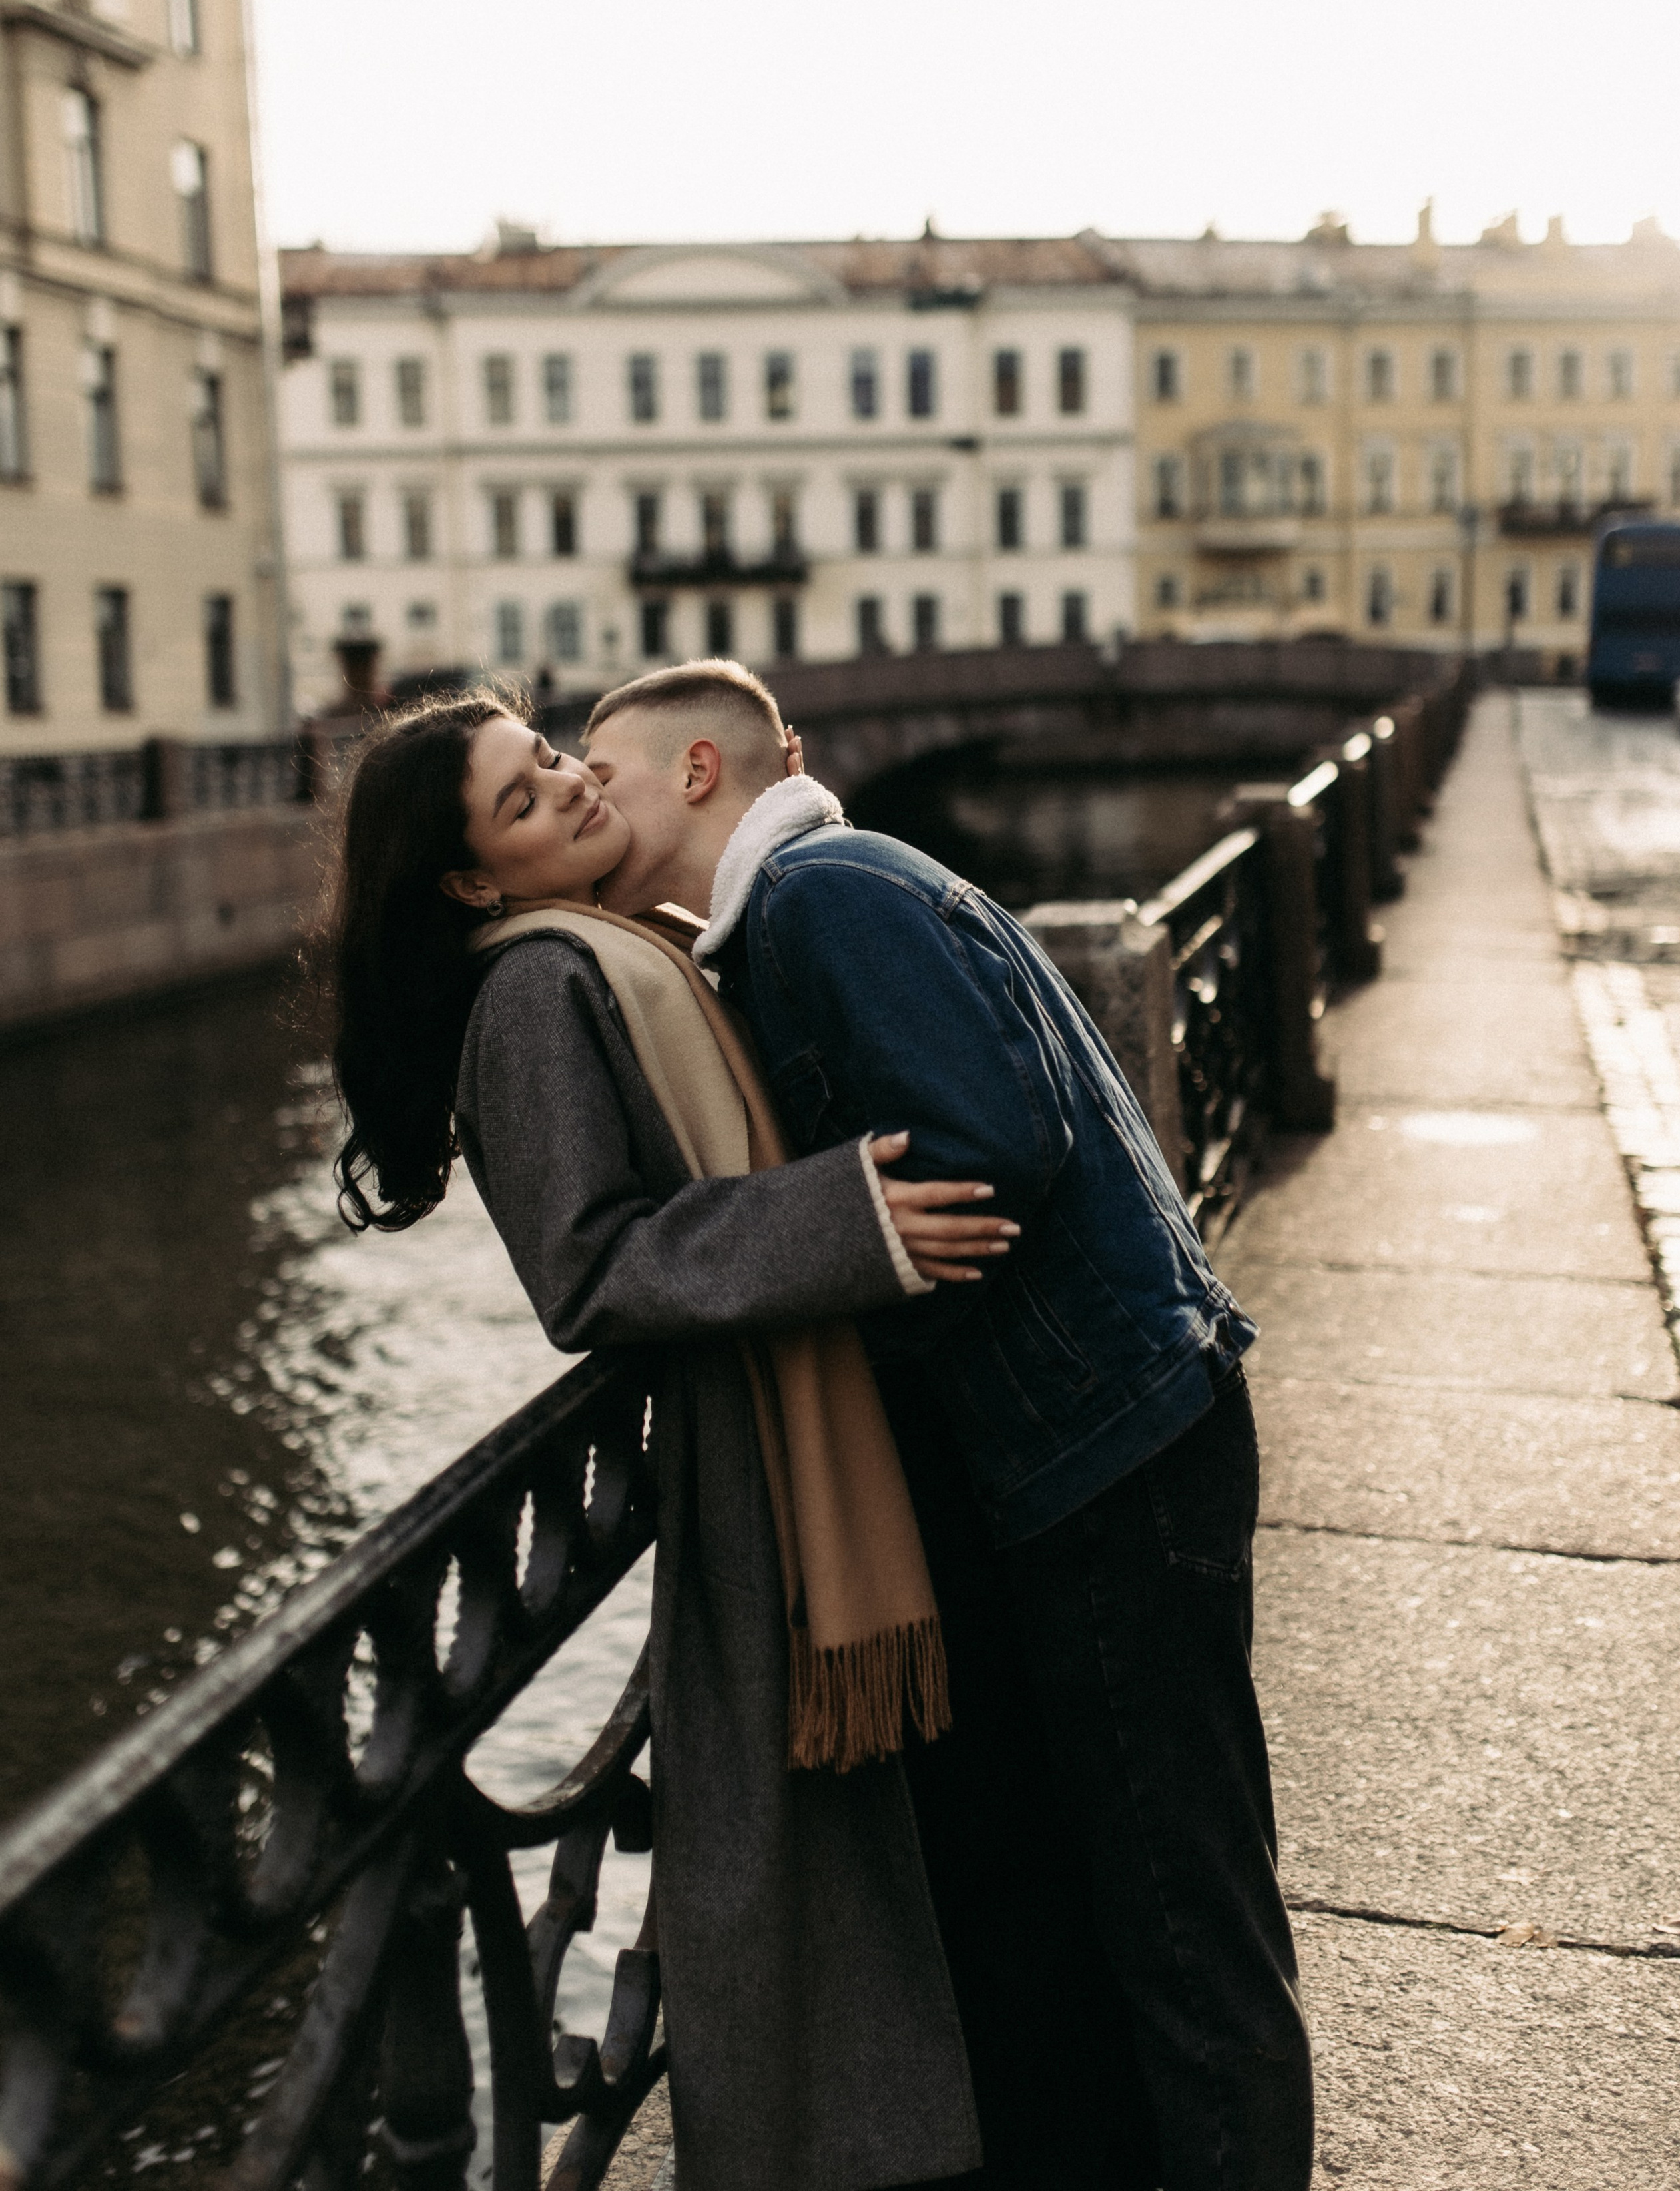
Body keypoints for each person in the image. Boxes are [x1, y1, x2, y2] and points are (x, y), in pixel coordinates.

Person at [583, 659, 1316, 2191]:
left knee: (1183, 1918)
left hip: (1108, 1445)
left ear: (700, 772)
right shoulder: (803, 897)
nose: (590, 800)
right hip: (1112, 1430)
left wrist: (839, 1294)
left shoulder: (819, 894)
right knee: (1132, 1889)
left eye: (605, 774)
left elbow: (986, 1147)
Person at [324, 687, 1015, 2191]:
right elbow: (588, 1267)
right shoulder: (528, 992)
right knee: (788, 1878)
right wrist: (839, 1220)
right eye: (524, 800)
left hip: (780, 1428)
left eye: (554, 760)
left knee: (847, 1862)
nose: (572, 790)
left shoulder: (615, 946)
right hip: (748, 1468)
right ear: (467, 880)